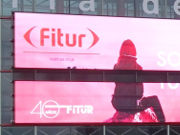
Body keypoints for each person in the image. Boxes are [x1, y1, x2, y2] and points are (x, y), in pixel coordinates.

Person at [110, 39, 165, 122]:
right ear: (134, 51)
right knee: (154, 99)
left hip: (117, 104)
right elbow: (139, 93)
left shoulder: (116, 66)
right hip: (132, 106)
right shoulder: (138, 67)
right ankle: (163, 125)